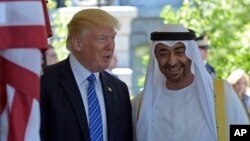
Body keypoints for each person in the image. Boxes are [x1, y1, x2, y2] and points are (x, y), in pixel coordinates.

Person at [132, 24, 249, 141]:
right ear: (156, 57)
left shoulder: (221, 95)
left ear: (191, 54)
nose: (172, 61)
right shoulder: (140, 105)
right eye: (164, 53)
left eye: (179, 52)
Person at [40, 8, 133, 141]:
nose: (110, 46)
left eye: (112, 38)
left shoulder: (119, 89)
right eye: (102, 39)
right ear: (78, 44)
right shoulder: (44, 82)